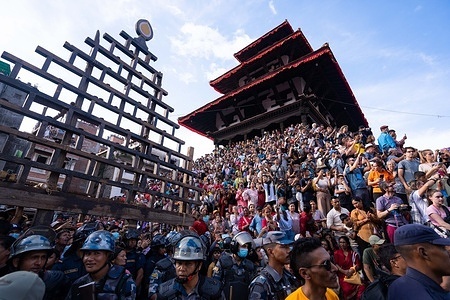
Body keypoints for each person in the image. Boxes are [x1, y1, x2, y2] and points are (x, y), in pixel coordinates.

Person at [66, 230, 136, 299]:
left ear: (109, 256)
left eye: (97, 253)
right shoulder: (79, 283)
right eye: (87, 253)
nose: (89, 259)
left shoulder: (123, 281)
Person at [387, 224, 450, 299]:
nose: (448, 253)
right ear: (423, 253)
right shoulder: (423, 296)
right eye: (443, 248)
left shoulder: (398, 285)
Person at [156, 232, 224, 299]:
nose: (182, 268)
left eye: (188, 264)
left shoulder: (214, 292)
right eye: (179, 263)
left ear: (199, 266)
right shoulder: (164, 293)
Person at [9, 234, 71, 300]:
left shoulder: (56, 280)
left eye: (43, 257)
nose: (39, 263)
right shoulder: (5, 284)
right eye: (34, 257)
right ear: (16, 262)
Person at [248, 231, 299, 299]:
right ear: (271, 252)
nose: (289, 250)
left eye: (288, 246)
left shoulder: (290, 277)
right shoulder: (261, 284)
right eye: (283, 247)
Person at [212, 231, 256, 300]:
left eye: (247, 247)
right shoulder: (223, 262)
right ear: (235, 246)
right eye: (243, 246)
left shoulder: (249, 265)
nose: (245, 249)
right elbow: (215, 283)